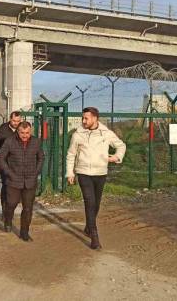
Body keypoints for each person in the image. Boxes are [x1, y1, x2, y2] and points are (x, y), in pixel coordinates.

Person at [66, 107, 126, 250]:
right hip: (84, 173)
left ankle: (88, 226)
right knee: (89, 202)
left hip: (100, 173)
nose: (83, 121)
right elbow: (71, 154)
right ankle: (94, 236)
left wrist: (117, 156)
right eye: (83, 118)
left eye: (86, 118)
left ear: (95, 118)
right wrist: (70, 173)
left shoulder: (106, 133)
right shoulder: (77, 135)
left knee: (96, 204)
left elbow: (121, 145)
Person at [0, 121, 44, 242]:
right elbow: (1, 158)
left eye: (27, 133)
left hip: (30, 181)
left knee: (28, 208)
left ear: (31, 131)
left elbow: (41, 158)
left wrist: (36, 172)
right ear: (18, 131)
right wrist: (8, 173)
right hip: (13, 180)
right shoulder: (10, 141)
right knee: (11, 204)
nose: (25, 135)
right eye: (22, 133)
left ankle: (24, 232)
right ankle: (8, 221)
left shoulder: (36, 142)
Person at [0, 111, 23, 214]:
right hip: (4, 163)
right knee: (6, 185)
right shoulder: (3, 129)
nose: (16, 123)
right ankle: (5, 210)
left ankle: (12, 205)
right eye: (14, 121)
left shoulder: (21, 130)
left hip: (17, 164)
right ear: (10, 119)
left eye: (18, 121)